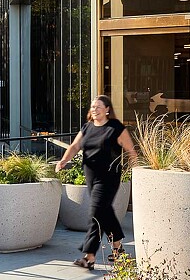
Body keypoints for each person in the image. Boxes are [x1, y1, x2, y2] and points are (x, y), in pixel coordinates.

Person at [55, 95, 137, 270]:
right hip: (91, 176)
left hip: (109, 177)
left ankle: (89, 256)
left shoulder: (115, 127)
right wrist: (63, 161)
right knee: (105, 212)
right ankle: (118, 249)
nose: (94, 109)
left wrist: (136, 171)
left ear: (107, 109)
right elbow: (75, 146)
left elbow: (130, 150)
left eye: (99, 106)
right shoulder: (87, 127)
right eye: (92, 106)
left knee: (96, 213)